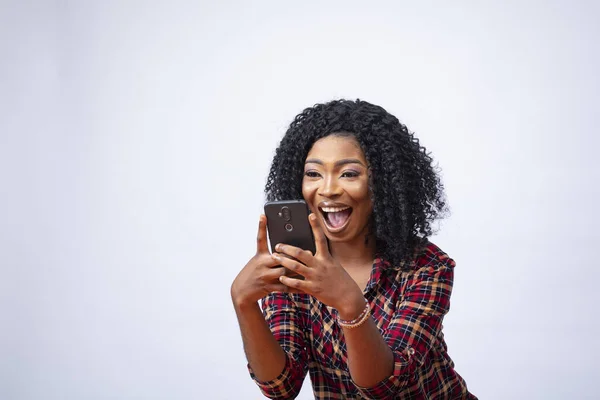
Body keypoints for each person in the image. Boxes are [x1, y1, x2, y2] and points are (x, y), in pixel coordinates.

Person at [231, 99, 477, 399]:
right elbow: (281, 386)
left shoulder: (426, 266)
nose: (329, 189)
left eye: (349, 173)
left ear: (382, 184)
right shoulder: (294, 270)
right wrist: (243, 302)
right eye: (313, 173)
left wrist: (350, 303)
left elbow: (383, 386)